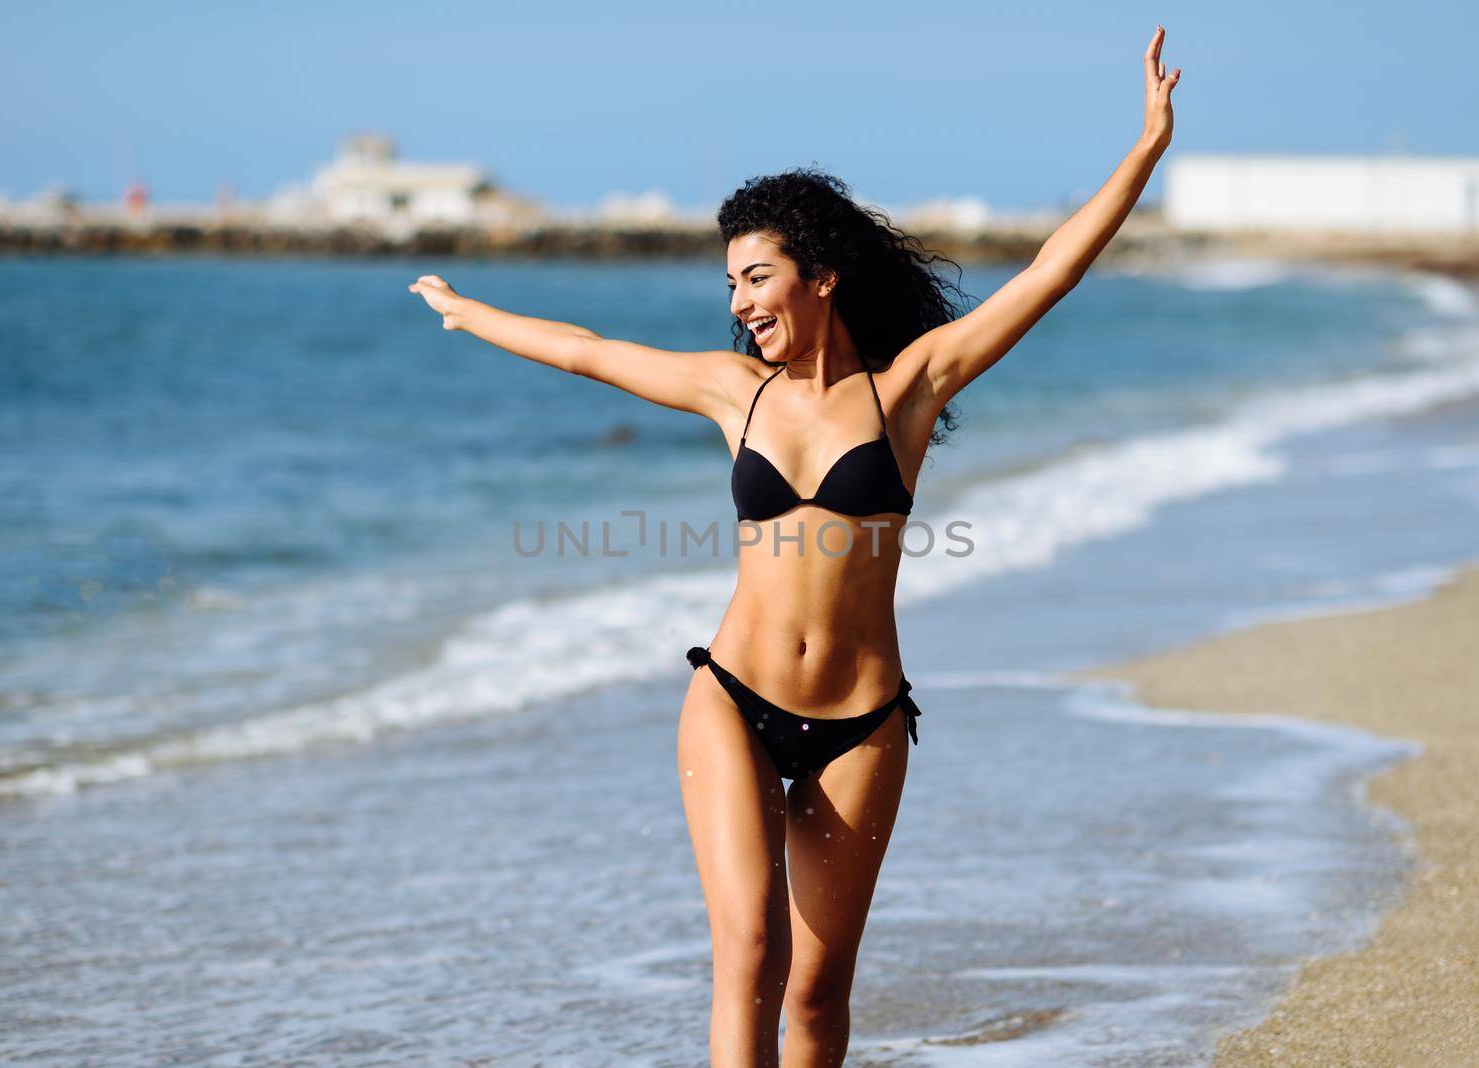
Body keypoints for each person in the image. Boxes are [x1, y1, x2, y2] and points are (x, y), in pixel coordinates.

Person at [409, 27, 1179, 1066]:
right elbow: (591, 353)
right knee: (750, 951)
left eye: (756, 277)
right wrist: (469, 314)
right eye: (729, 284)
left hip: (862, 721)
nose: (738, 304)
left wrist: (1141, 153)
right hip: (733, 698)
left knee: (817, 997)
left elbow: (1046, 275)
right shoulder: (736, 394)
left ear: (818, 276)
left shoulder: (906, 391)